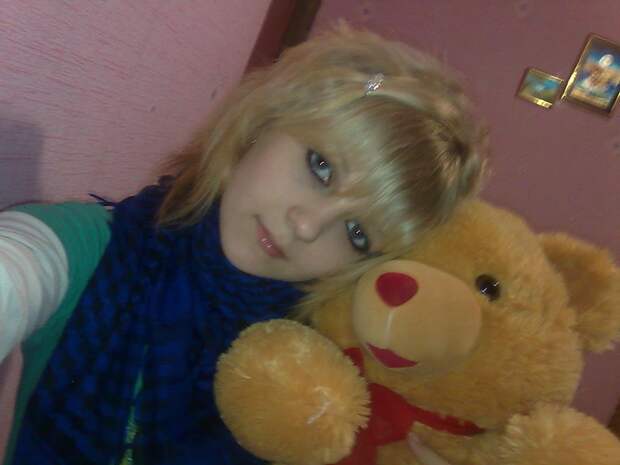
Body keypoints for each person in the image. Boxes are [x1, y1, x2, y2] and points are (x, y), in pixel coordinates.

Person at [0, 25, 487, 465]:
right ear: (265, 122)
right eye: (321, 166)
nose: (306, 226)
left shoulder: (320, 380)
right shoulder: (96, 249)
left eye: (357, 233)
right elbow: (17, 271)